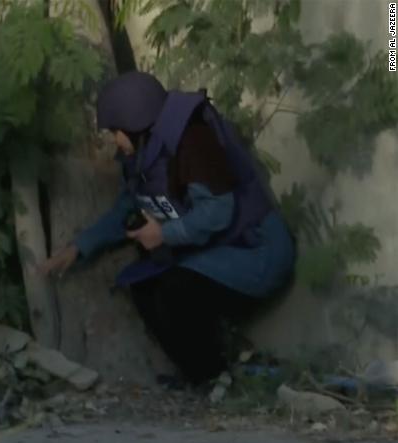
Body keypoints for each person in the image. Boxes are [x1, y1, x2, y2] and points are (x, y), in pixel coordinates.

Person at [38, 71, 296, 389]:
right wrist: (79, 247)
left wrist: (164, 234)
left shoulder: (193, 140)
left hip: (258, 252)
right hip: (224, 249)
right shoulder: (144, 153)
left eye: (116, 131)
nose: (114, 140)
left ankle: (215, 380)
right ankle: (200, 375)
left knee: (176, 289)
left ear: (136, 124)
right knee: (145, 286)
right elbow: (128, 208)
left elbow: (218, 211)